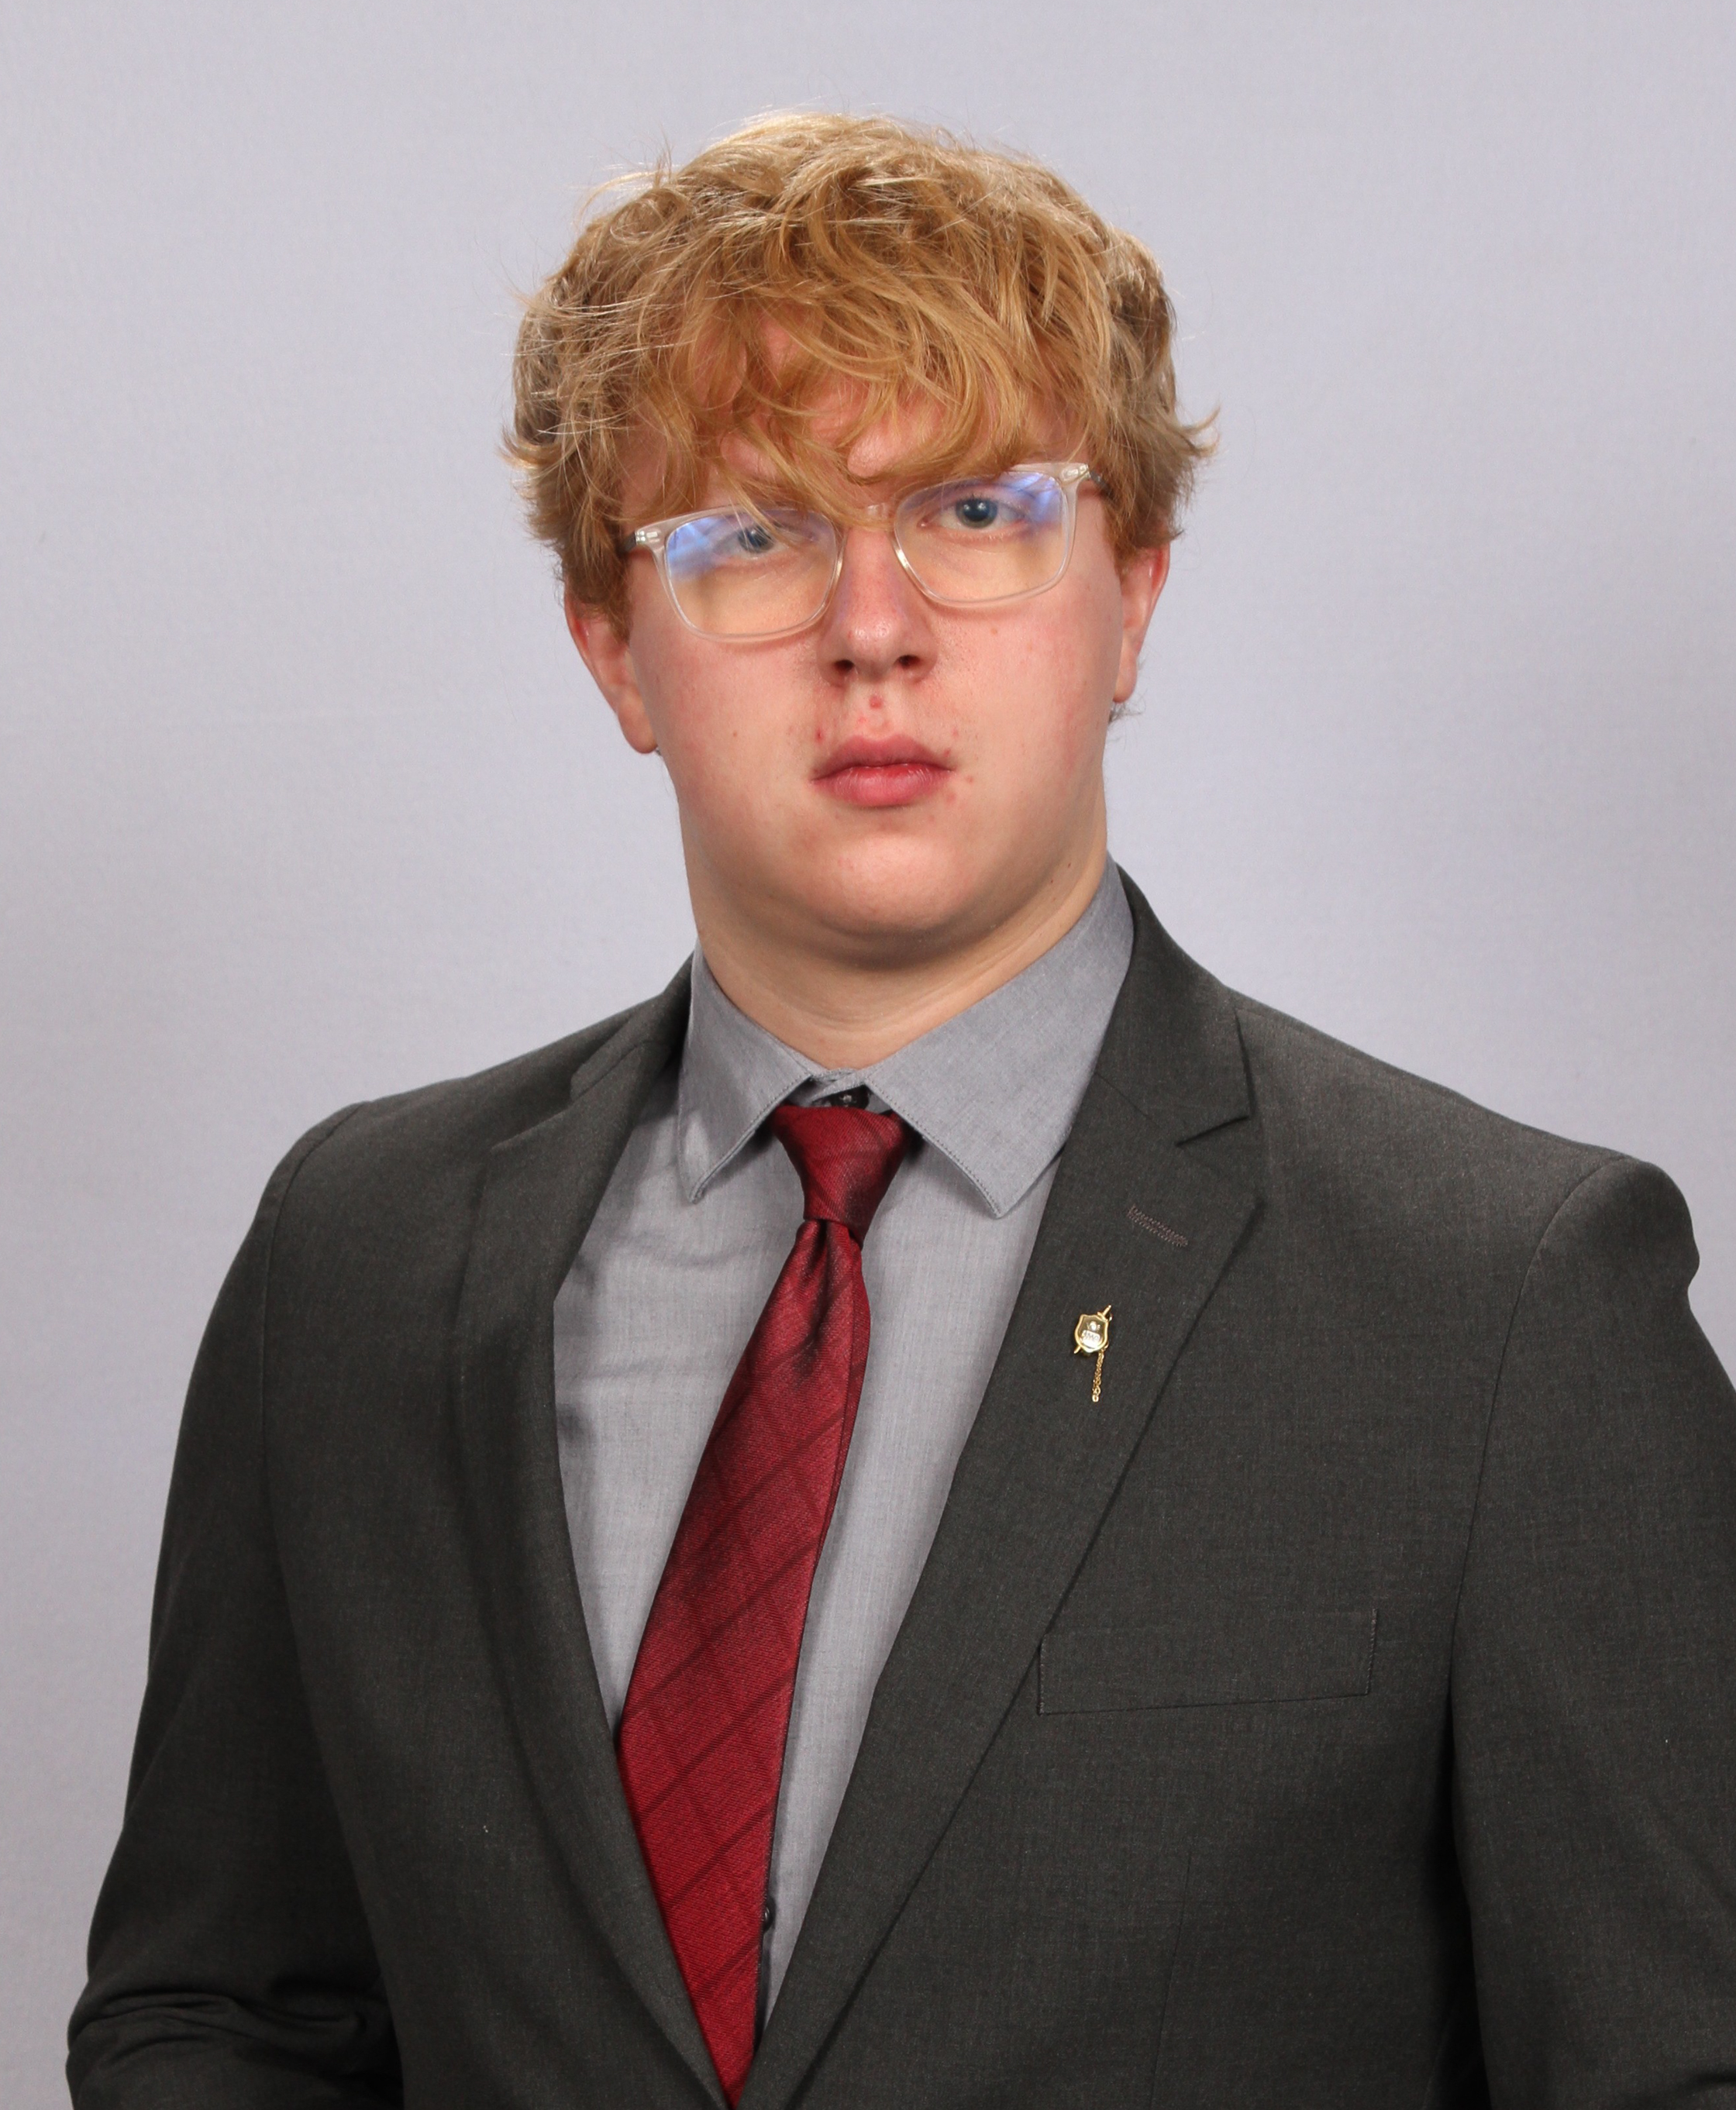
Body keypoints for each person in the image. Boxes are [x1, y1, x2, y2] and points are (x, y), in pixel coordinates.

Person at [69, 112, 1736, 2109]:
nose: (875, 624)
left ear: (1133, 596)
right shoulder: (361, 1255)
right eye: (751, 536)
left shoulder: (1503, 1304)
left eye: (977, 512)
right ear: (614, 651)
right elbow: (227, 2013)